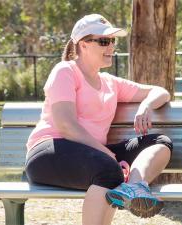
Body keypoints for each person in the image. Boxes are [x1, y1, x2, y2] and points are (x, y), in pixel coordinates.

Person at [25, 14, 173, 224]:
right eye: (104, 41)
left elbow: (161, 92)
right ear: (83, 45)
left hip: (93, 156)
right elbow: (66, 126)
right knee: (108, 169)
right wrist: (106, 153)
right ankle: (120, 179)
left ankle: (134, 187)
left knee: (160, 142)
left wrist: (146, 105)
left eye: (113, 41)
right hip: (49, 151)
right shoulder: (65, 71)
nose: (111, 46)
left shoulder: (110, 82)